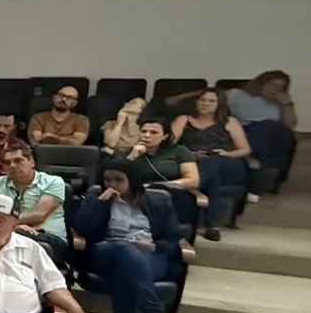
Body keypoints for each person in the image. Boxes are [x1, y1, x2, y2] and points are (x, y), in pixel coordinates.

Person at [72, 163, 190, 313]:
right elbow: (80, 228)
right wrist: (100, 203)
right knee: (124, 249)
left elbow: (173, 240)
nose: (112, 184)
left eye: (119, 180)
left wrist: (154, 247)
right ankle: (154, 311)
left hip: (149, 256)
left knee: (127, 273)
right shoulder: (98, 197)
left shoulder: (157, 201)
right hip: (106, 252)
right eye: (107, 180)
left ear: (132, 180)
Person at [170, 88, 251, 241]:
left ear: (219, 104)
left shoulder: (230, 122)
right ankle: (212, 226)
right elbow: (169, 146)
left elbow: (245, 149)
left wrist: (225, 154)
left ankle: (190, 186)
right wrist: (190, 154)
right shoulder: (183, 119)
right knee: (213, 178)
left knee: (213, 160)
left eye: (211, 101)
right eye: (202, 100)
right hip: (193, 163)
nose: (205, 104)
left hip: (227, 163)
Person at [0, 144, 69, 267]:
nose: (12, 165)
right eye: (7, 163)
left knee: (12, 237)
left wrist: (10, 226)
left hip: (49, 238)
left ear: (31, 162)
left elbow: (39, 215)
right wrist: (13, 227)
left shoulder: (53, 181)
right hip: (9, 233)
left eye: (18, 161)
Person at [226, 71, 297, 193]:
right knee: (260, 132)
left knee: (270, 127)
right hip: (245, 130)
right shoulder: (237, 94)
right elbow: (208, 95)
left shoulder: (280, 103)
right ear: (261, 83)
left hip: (273, 133)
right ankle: (253, 172)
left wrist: (287, 104)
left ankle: (249, 160)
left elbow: (290, 125)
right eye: (272, 84)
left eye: (280, 87)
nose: (275, 89)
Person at [123, 117, 205, 218]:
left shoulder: (179, 151)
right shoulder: (130, 153)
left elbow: (193, 181)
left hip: (172, 193)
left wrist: (159, 185)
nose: (147, 135)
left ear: (165, 136)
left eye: (153, 132)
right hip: (140, 195)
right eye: (143, 131)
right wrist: (132, 156)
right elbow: (118, 177)